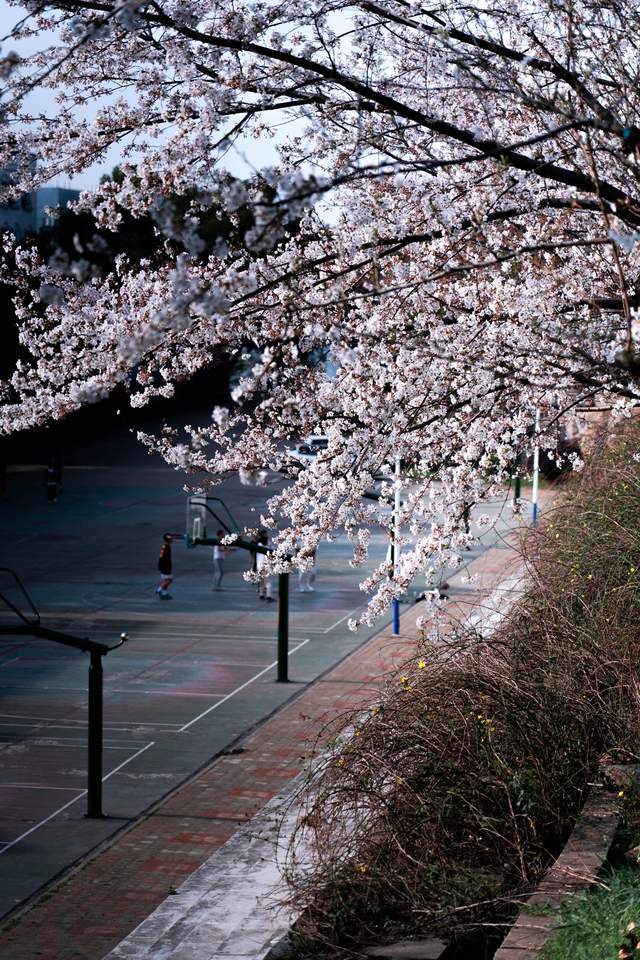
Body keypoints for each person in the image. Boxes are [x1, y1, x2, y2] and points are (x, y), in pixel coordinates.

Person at [256, 531, 275, 602]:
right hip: (266, 565)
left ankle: (261, 594)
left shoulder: (259, 544)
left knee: (261, 581)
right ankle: (268, 596)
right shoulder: (269, 545)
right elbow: (273, 553)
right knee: (268, 582)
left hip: (259, 565)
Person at [156, 534, 173, 599]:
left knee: (166, 580)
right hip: (165, 566)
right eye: (171, 539)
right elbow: (163, 557)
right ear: (168, 540)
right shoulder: (166, 547)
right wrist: (165, 566)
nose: (172, 540)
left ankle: (164, 593)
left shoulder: (165, 546)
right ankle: (159, 590)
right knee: (169, 580)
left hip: (164, 565)